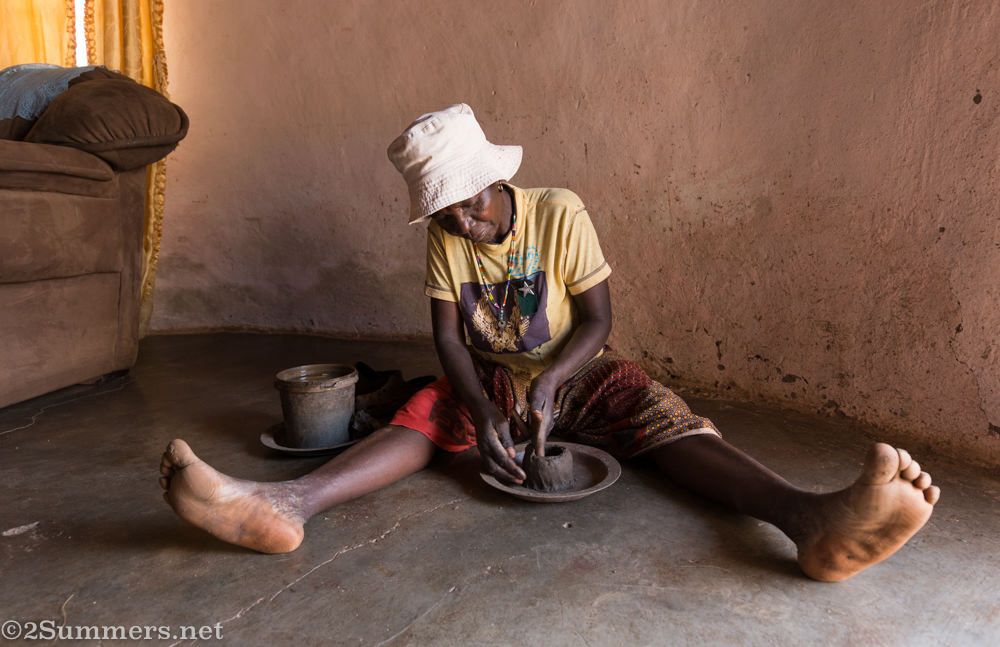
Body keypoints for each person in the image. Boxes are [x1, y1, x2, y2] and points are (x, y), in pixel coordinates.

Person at [159, 104, 939, 582]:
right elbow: (446, 338)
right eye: (440, 211)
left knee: (659, 414)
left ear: (488, 183)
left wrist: (552, 383)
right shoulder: (443, 235)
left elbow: (598, 320)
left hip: (581, 368)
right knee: (430, 406)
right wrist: (481, 403)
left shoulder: (559, 212)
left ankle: (809, 521)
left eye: (461, 205)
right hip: (495, 376)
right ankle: (287, 503)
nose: (456, 222)